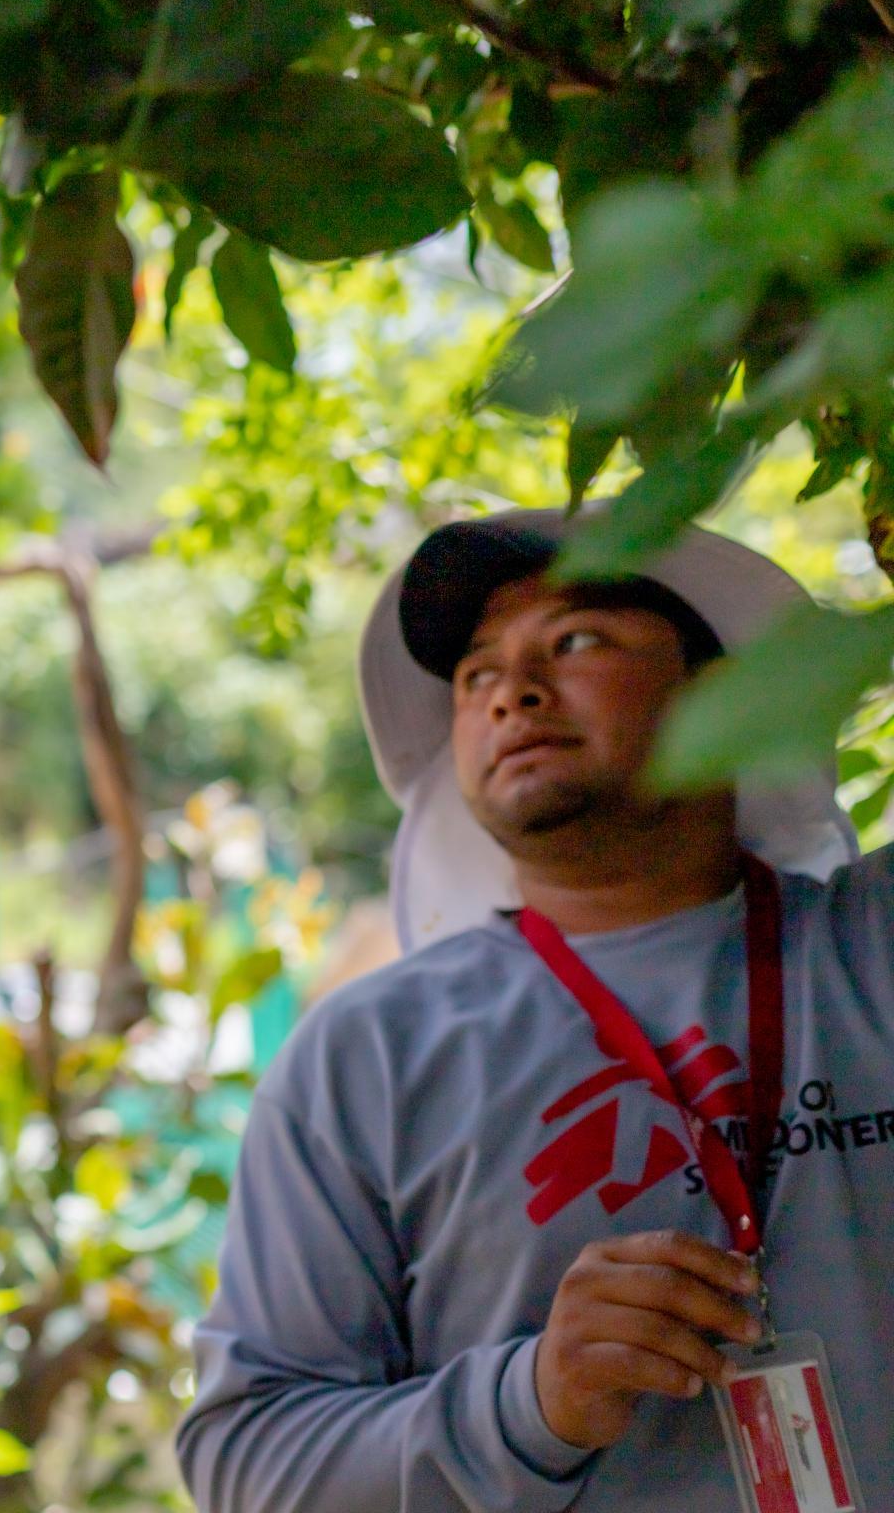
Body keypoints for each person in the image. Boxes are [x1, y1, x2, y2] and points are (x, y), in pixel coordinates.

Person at [174, 507, 891, 1510]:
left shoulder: (872, 945)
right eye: (476, 675)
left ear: (724, 694)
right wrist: (529, 1401)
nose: (512, 690)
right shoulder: (367, 1052)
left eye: (577, 640)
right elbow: (250, 1464)